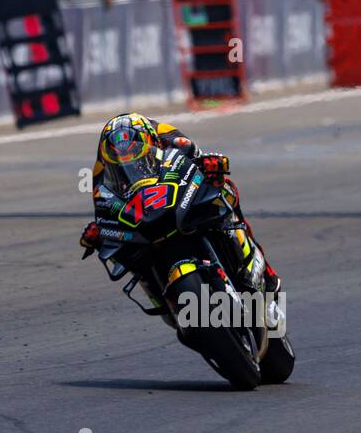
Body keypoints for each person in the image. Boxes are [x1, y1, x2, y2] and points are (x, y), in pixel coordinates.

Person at [78, 113, 279, 312]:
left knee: (225, 189)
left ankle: (261, 266)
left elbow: (195, 156)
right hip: (140, 211)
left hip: (172, 189)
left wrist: (210, 165)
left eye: (134, 153)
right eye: (120, 157)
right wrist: (99, 229)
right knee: (122, 246)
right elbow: (103, 203)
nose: (127, 159)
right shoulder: (100, 169)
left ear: (149, 141)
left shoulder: (165, 134)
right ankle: (159, 295)